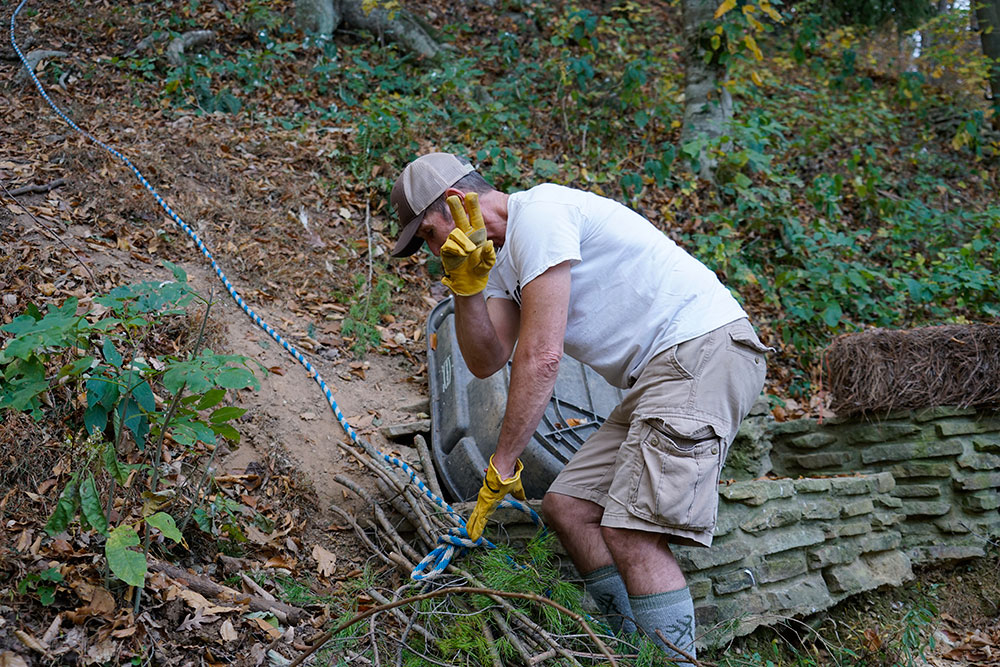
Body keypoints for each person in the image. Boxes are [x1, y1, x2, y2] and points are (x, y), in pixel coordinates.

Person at [389, 152, 770, 659]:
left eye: (428, 237)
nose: (432, 251)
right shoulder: (500, 262)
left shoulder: (542, 214)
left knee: (632, 532)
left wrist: (502, 464)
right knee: (569, 508)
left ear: (457, 204)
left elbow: (542, 356)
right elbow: (486, 360)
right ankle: (631, 647)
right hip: (657, 375)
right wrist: (466, 289)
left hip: (702, 352)